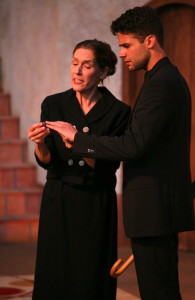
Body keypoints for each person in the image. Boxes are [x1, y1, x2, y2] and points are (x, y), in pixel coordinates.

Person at [53, 6, 195, 300]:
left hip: (155, 208)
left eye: (126, 45)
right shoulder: (161, 79)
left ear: (150, 41)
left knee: (159, 292)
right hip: (155, 208)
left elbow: (133, 146)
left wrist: (79, 138)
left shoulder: (162, 84)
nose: (121, 53)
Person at [28, 39, 131, 300]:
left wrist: (78, 142)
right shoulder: (54, 104)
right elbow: (47, 160)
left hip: (96, 200)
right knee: (56, 270)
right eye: (74, 63)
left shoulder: (118, 112)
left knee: (90, 272)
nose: (77, 71)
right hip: (59, 196)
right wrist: (40, 143)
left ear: (104, 71)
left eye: (86, 66)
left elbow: (109, 165)